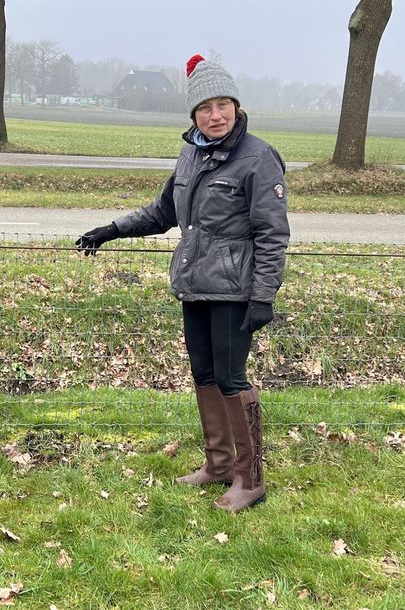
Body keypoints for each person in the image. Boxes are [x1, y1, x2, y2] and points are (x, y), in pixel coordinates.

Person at [76, 54, 290, 513]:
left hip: (234, 291)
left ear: (236, 107)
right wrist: (112, 229)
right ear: (193, 115)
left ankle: (250, 479)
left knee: (231, 378)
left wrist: (264, 295)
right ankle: (218, 464)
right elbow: (163, 212)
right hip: (194, 284)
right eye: (205, 108)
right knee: (204, 374)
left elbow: (272, 234)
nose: (215, 116)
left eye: (223, 105)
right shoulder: (191, 154)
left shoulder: (258, 158)